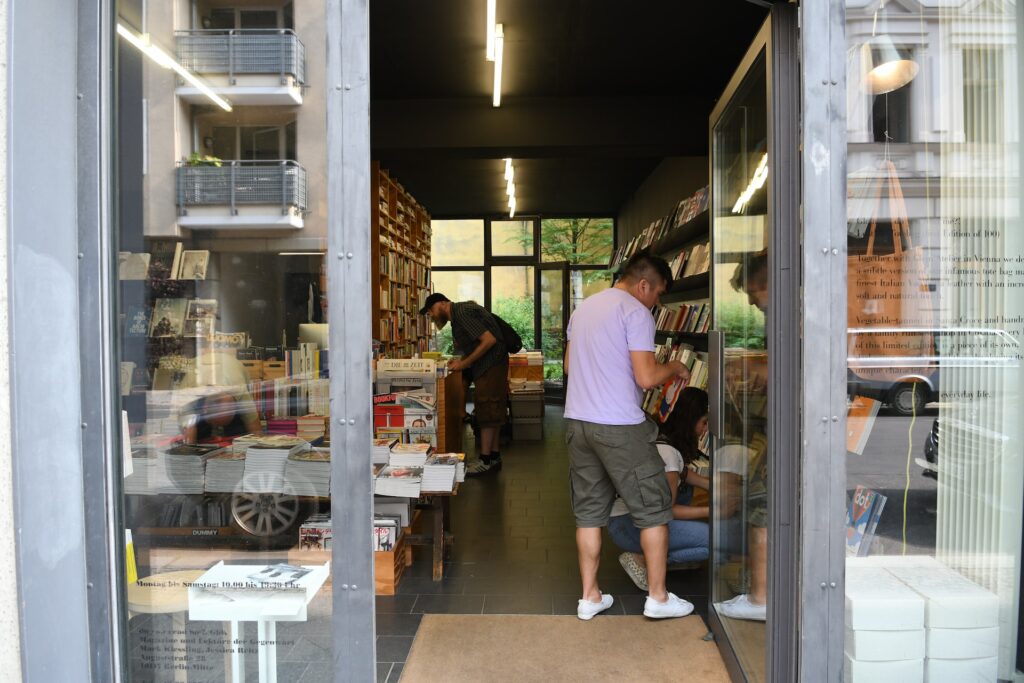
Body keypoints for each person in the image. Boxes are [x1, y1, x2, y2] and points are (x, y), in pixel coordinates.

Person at [564, 250, 694, 621]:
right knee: (653, 509)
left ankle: (589, 596)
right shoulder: (635, 312)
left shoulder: (584, 308)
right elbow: (647, 377)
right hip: (620, 426)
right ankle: (658, 597)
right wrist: (676, 366)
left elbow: (572, 366)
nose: (657, 302)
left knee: (588, 513)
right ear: (643, 285)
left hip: (577, 423)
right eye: (658, 294)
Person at [610, 387, 711, 591]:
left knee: (691, 503)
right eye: (704, 422)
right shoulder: (670, 454)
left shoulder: (663, 436)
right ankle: (644, 559)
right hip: (629, 525)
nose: (705, 429)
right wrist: (711, 511)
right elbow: (668, 510)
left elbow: (683, 474)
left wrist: (712, 485)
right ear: (692, 421)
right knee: (714, 542)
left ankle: (656, 555)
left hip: (624, 518)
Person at [715, 249, 769, 622]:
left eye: (754, 292)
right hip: (785, 430)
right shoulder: (788, 312)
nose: (751, 301)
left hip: (801, 430)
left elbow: (803, 357)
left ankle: (760, 599)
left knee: (761, 508)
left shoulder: (796, 310)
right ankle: (762, 592)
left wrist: (756, 363)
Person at [421, 292, 508, 475]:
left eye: (432, 310)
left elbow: (488, 340)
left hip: (490, 365)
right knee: (493, 410)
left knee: (487, 409)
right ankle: (493, 456)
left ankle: (485, 460)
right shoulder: (460, 314)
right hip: (492, 365)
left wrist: (464, 363)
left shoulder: (461, 313)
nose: (432, 316)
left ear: (442, 303)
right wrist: (462, 360)